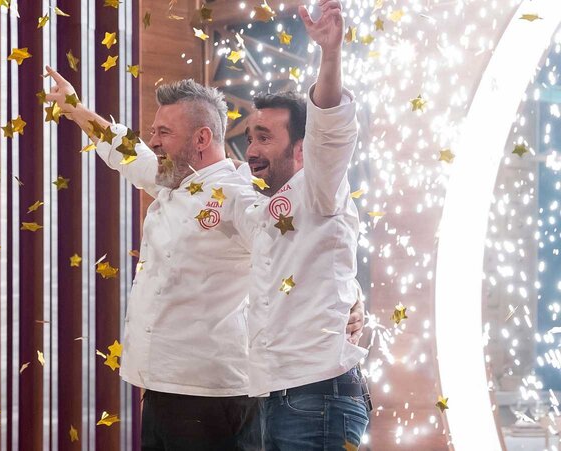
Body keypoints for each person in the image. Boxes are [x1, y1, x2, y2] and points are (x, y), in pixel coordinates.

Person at [44, 65, 364, 449]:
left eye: (164, 133)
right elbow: (128, 153)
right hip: (161, 387)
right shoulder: (171, 177)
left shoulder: (239, 194)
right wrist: (77, 110)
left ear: (201, 138)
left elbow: (291, 248)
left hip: (212, 395)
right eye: (153, 132)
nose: (153, 141)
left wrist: (352, 295)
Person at [239, 1, 370, 449]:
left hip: (318, 396)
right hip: (275, 397)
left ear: (301, 149)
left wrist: (330, 54)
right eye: (249, 138)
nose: (250, 150)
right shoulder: (260, 208)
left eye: (263, 138)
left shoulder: (319, 187)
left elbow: (330, 130)